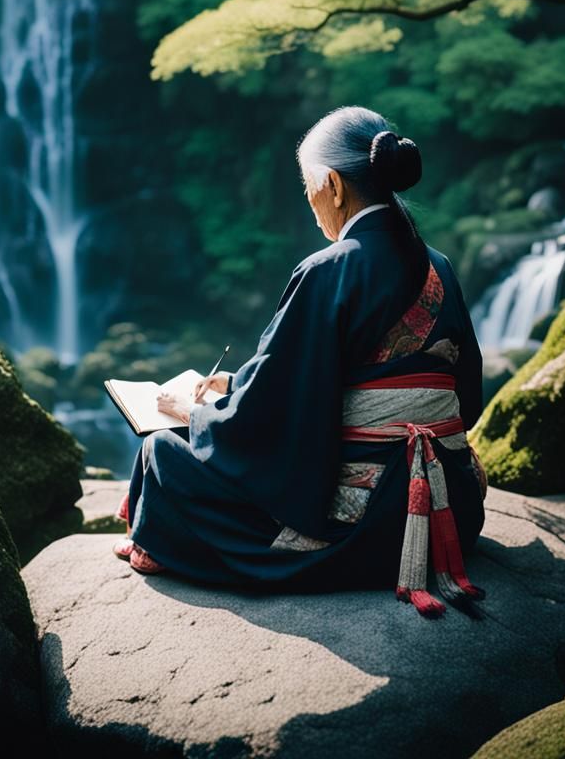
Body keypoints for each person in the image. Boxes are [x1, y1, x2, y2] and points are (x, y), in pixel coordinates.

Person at [113, 105, 489, 619]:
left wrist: (193, 413)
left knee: (162, 451)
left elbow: (266, 423)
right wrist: (237, 384)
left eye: (309, 185)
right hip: (451, 507)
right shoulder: (439, 266)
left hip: (371, 524)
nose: (310, 200)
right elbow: (466, 399)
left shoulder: (329, 269)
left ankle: (162, 539)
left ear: (332, 185)